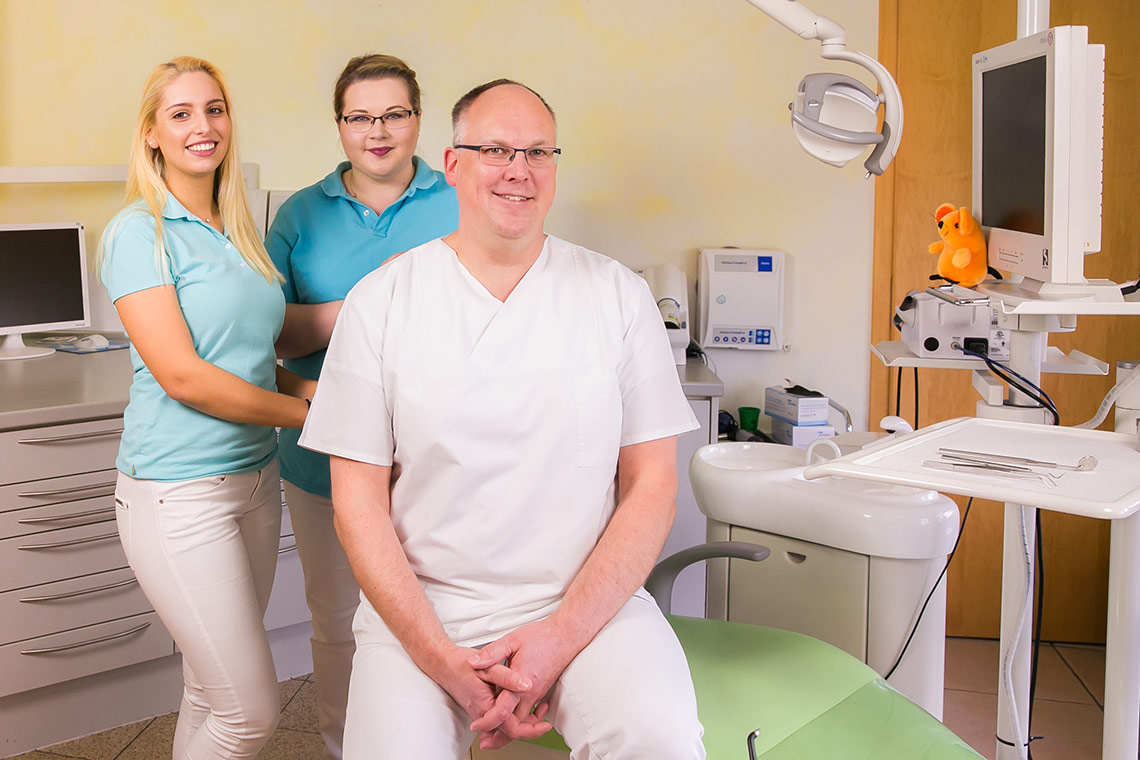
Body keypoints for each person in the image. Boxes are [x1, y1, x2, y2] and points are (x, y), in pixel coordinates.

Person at [299, 79, 707, 759]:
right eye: (495, 150)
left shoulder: (617, 296)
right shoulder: (383, 302)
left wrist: (557, 640)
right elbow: (357, 502)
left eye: (538, 152)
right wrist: (439, 655)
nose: (519, 170)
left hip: (583, 603)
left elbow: (652, 487)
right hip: (424, 608)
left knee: (658, 739)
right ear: (453, 165)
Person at [98, 56, 315, 760]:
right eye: (182, 113)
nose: (204, 126)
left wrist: (310, 391)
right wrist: (311, 417)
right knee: (249, 715)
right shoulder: (139, 231)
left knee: (208, 691)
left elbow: (246, 359)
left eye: (215, 109)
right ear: (151, 132)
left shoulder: (236, 229)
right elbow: (185, 377)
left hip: (255, 480)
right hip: (178, 494)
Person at [265, 53, 458, 758]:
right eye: (360, 118)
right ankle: (342, 745)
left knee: (444, 616)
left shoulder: (460, 200)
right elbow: (273, 334)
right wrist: (366, 304)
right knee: (339, 620)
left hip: (442, 458)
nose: (377, 132)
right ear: (340, 125)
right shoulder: (299, 213)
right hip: (324, 455)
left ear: (418, 120)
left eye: (393, 115)